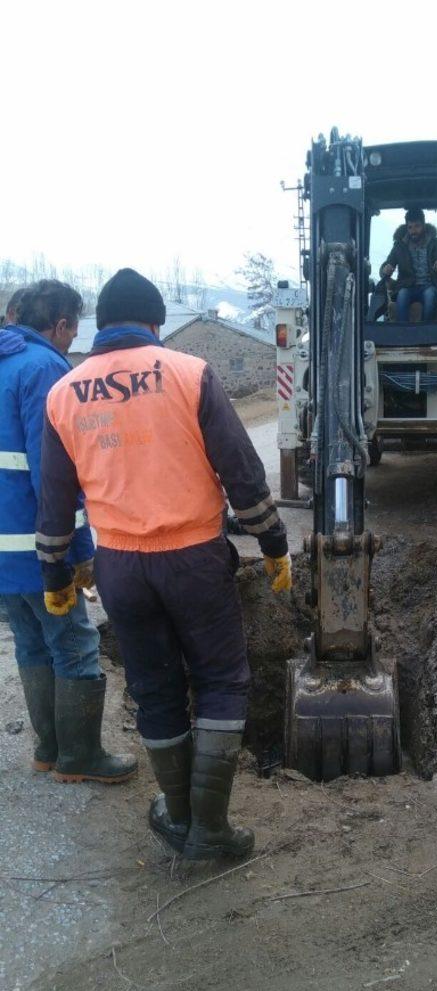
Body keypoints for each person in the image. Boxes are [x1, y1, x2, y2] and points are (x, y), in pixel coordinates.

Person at [37, 268, 292, 862]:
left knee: (156, 691)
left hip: (120, 568)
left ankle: (178, 816)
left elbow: (54, 502)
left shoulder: (64, 393)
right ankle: (211, 829)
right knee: (221, 682)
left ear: (103, 326)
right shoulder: (188, 373)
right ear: (155, 323)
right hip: (195, 559)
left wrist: (56, 577)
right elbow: (242, 473)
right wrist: (273, 544)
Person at [0, 280, 135, 783]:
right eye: (72, 329)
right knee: (74, 643)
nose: (72, 340)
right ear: (58, 325)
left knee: (31, 645)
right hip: (40, 550)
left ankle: (48, 750)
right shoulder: (47, 371)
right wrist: (78, 552)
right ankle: (80, 758)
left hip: (3, 552)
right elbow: (55, 478)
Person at [381, 208, 437, 323]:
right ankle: (402, 331)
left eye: (417, 226)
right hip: (407, 287)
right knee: (402, 294)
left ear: (424, 226)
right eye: (410, 227)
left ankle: (426, 329)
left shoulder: (436, 244)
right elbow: (384, 267)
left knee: (430, 294)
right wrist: (385, 270)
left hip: (430, 285)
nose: (413, 231)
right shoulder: (399, 246)